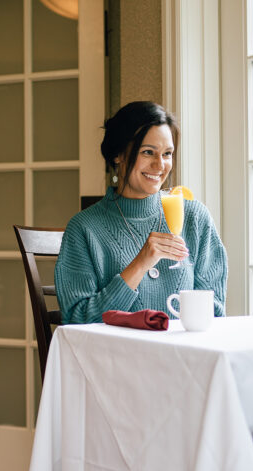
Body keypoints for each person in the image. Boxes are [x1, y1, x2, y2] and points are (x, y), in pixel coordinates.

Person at [55, 101, 228, 324]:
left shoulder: (195, 218)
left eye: (167, 154)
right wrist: (141, 264)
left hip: (184, 356)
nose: (160, 165)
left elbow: (216, 314)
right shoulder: (84, 228)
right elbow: (76, 321)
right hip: (116, 358)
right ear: (118, 154)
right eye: (148, 152)